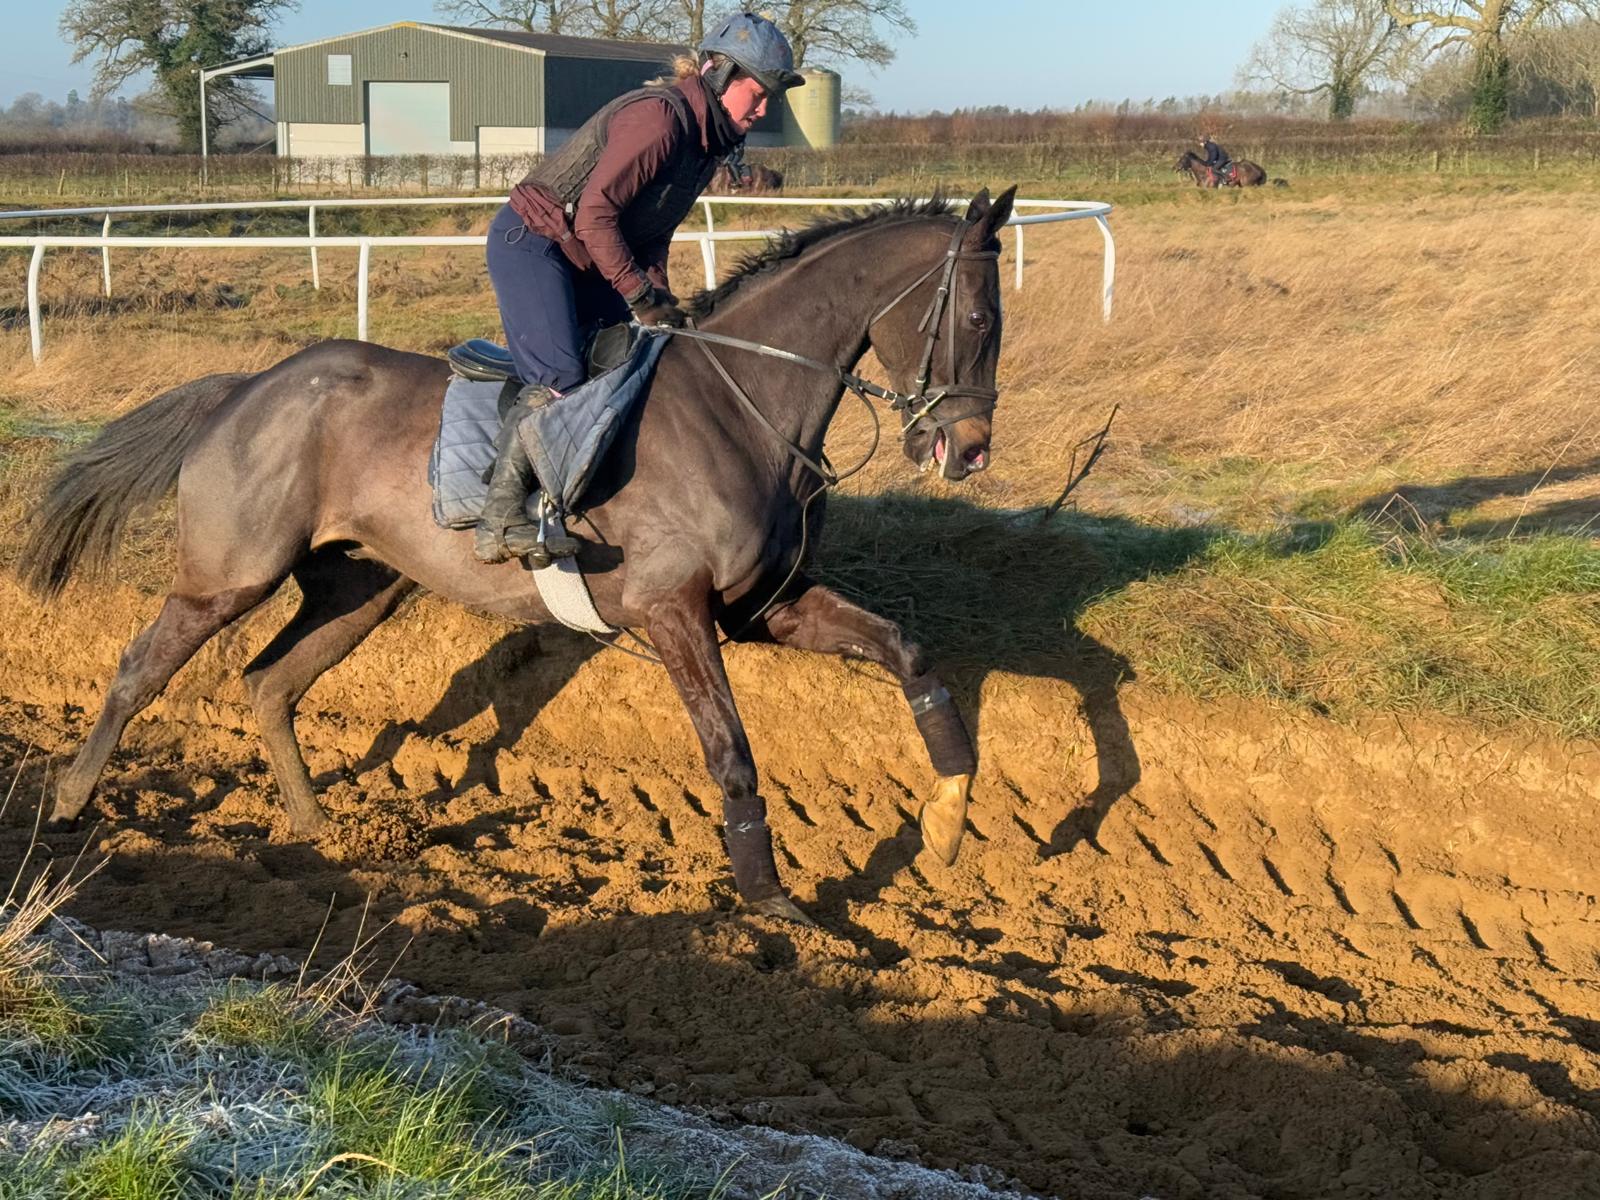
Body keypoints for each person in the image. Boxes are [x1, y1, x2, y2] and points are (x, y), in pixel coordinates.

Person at [475, 12, 805, 565]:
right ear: (719, 74)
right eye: (759, 92)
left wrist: (662, 303)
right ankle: (501, 515)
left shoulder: (706, 145)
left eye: (771, 96)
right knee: (561, 377)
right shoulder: (658, 121)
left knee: (637, 361)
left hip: (585, 253)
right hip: (534, 242)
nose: (765, 108)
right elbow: (596, 216)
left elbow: (651, 237)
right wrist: (637, 294)